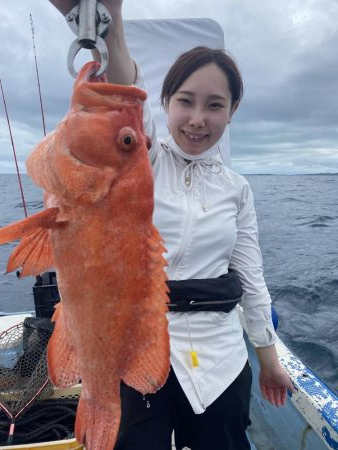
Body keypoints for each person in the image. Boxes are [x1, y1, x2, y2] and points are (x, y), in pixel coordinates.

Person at [50, 1, 295, 449]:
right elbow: (125, 93)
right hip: (134, 346)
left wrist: (269, 358)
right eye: (185, 101)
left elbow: (252, 279)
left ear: (232, 111)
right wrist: (111, 21)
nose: (198, 119)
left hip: (218, 357)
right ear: (165, 103)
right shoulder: (140, 158)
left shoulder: (237, 189)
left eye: (215, 105)